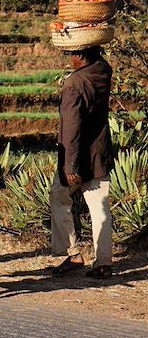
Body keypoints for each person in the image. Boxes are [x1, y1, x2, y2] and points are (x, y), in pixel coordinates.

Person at [50, 46, 114, 278]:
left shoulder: (74, 83)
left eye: (72, 56)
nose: (71, 61)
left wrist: (70, 166)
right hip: (99, 153)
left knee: (59, 196)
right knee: (100, 210)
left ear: (79, 57)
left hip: (78, 157)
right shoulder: (104, 70)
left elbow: (71, 129)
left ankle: (73, 252)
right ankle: (103, 262)